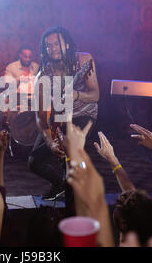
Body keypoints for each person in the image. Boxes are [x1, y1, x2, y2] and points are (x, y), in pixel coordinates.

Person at [28, 26, 100, 200]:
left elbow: (95, 95)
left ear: (67, 44)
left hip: (84, 113)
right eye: (49, 46)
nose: (53, 49)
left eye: (57, 44)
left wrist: (76, 95)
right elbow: (40, 118)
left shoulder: (84, 60)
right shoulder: (43, 76)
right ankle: (59, 182)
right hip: (59, 117)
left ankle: (74, 202)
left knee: (70, 149)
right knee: (34, 162)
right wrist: (50, 142)